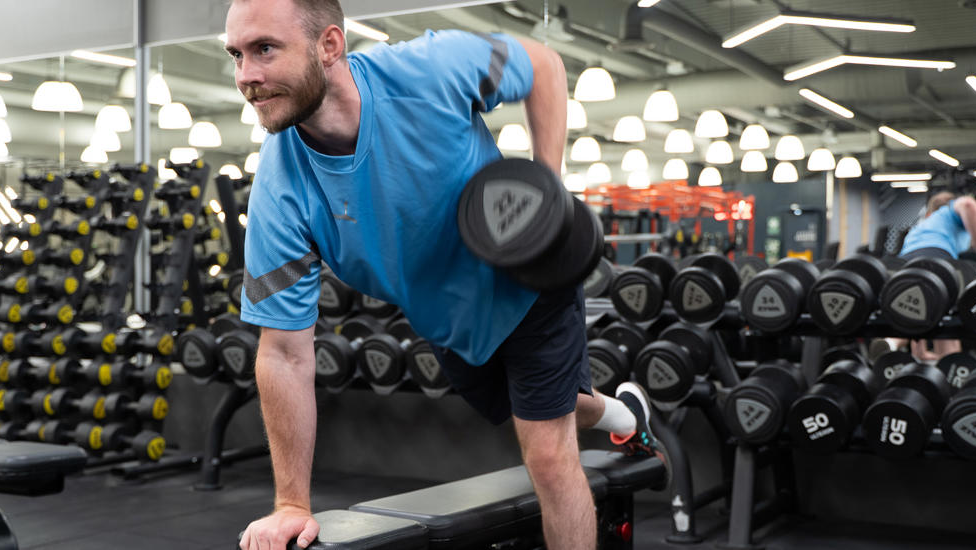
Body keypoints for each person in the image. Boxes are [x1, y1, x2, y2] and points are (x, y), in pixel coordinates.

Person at [226, 2, 665, 549]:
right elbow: (284, 353)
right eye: (236, 56)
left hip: (527, 282)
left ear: (329, 46)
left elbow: (545, 67)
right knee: (540, 407)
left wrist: (546, 195)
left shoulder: (427, 70)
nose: (246, 75)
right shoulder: (279, 193)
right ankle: (624, 412)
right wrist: (291, 503)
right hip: (445, 319)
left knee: (548, 456)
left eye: (265, 49)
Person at [890, 191, 976, 360]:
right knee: (947, 313)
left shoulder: (920, 228)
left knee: (911, 308)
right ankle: (949, 367)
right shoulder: (947, 212)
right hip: (936, 258)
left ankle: (891, 343)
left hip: (902, 265)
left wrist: (921, 354)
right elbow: (968, 204)